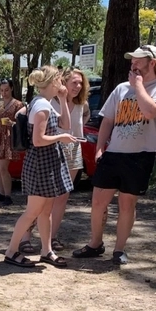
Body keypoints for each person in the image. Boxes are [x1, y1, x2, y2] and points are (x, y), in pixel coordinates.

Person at [73, 45, 156, 265]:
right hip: (114, 153)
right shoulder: (121, 88)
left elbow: (150, 111)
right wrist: (100, 148)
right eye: (132, 60)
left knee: (127, 205)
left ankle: (119, 250)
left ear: (152, 63)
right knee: (98, 201)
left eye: (138, 60)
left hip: (141, 155)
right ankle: (95, 243)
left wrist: (138, 86)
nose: (133, 64)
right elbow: (108, 120)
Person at [4, 66, 76, 268]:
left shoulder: (45, 102)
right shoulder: (42, 106)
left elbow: (66, 124)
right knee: (32, 212)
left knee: (45, 211)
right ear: (53, 82)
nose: (62, 82)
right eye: (60, 79)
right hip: (40, 164)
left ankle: (46, 251)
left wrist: (63, 99)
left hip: (47, 162)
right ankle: (11, 251)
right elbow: (38, 140)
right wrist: (61, 137)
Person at [50, 68, 91, 250]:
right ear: (64, 82)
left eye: (81, 83)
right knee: (44, 198)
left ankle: (51, 237)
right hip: (53, 149)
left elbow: (85, 116)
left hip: (74, 151)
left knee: (62, 197)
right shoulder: (51, 101)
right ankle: (25, 238)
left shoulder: (82, 104)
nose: (78, 86)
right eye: (74, 82)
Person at [0, 79, 25, 205]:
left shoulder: (18, 105)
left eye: (6, 90)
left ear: (11, 88)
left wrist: (11, 123)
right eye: (2, 90)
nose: (4, 93)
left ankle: (8, 196)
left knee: (3, 167)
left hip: (7, 137)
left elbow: (22, 124)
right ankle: (1, 193)